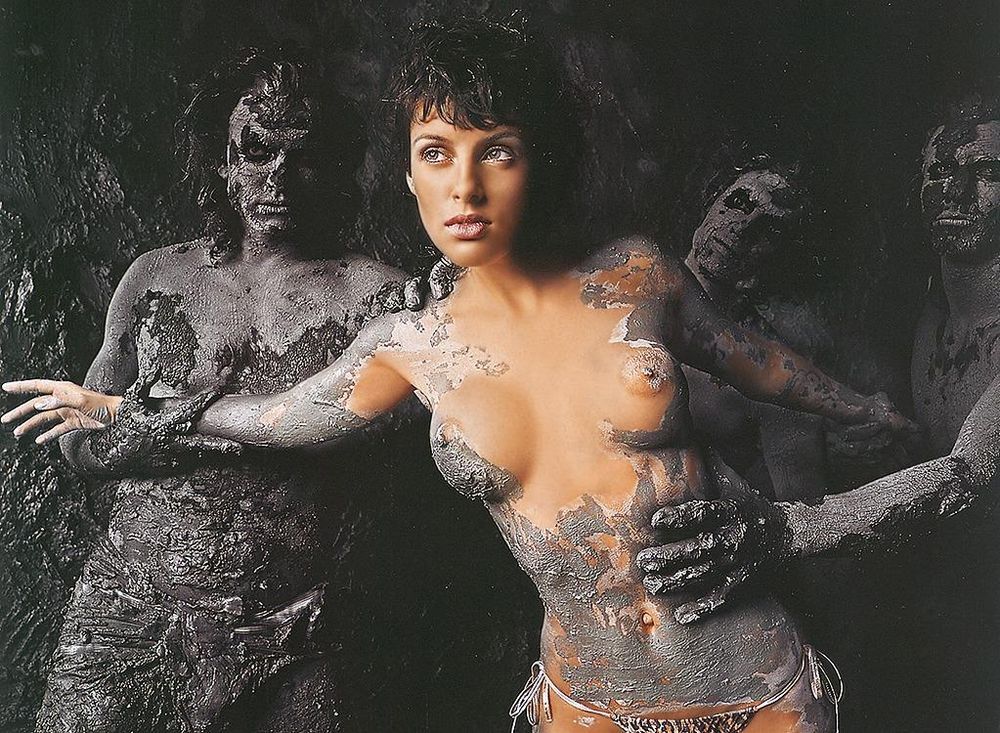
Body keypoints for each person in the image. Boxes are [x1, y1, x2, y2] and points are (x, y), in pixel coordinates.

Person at [4, 19, 917, 733]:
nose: (464, 187)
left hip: (752, 678)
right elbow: (266, 418)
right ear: (407, 175)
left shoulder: (618, 275)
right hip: (577, 696)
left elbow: (755, 364)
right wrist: (118, 409)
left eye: (497, 151)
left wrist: (860, 412)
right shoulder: (395, 334)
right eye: (436, 153)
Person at [0, 48, 436, 733]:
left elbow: (382, 436)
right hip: (126, 614)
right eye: (256, 151)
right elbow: (78, 448)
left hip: (288, 630)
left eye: (304, 157)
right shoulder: (155, 278)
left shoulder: (377, 298)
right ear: (223, 162)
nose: (278, 178)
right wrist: (146, 440)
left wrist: (150, 419)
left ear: (336, 167)